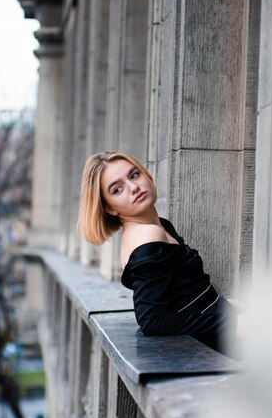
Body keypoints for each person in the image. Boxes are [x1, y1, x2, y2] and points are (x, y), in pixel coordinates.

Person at [78, 151, 237, 356]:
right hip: (212, 346)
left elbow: (183, 295)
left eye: (134, 175)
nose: (133, 187)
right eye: (118, 189)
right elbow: (152, 321)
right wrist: (228, 321)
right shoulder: (148, 235)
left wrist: (224, 307)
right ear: (110, 208)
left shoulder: (155, 226)